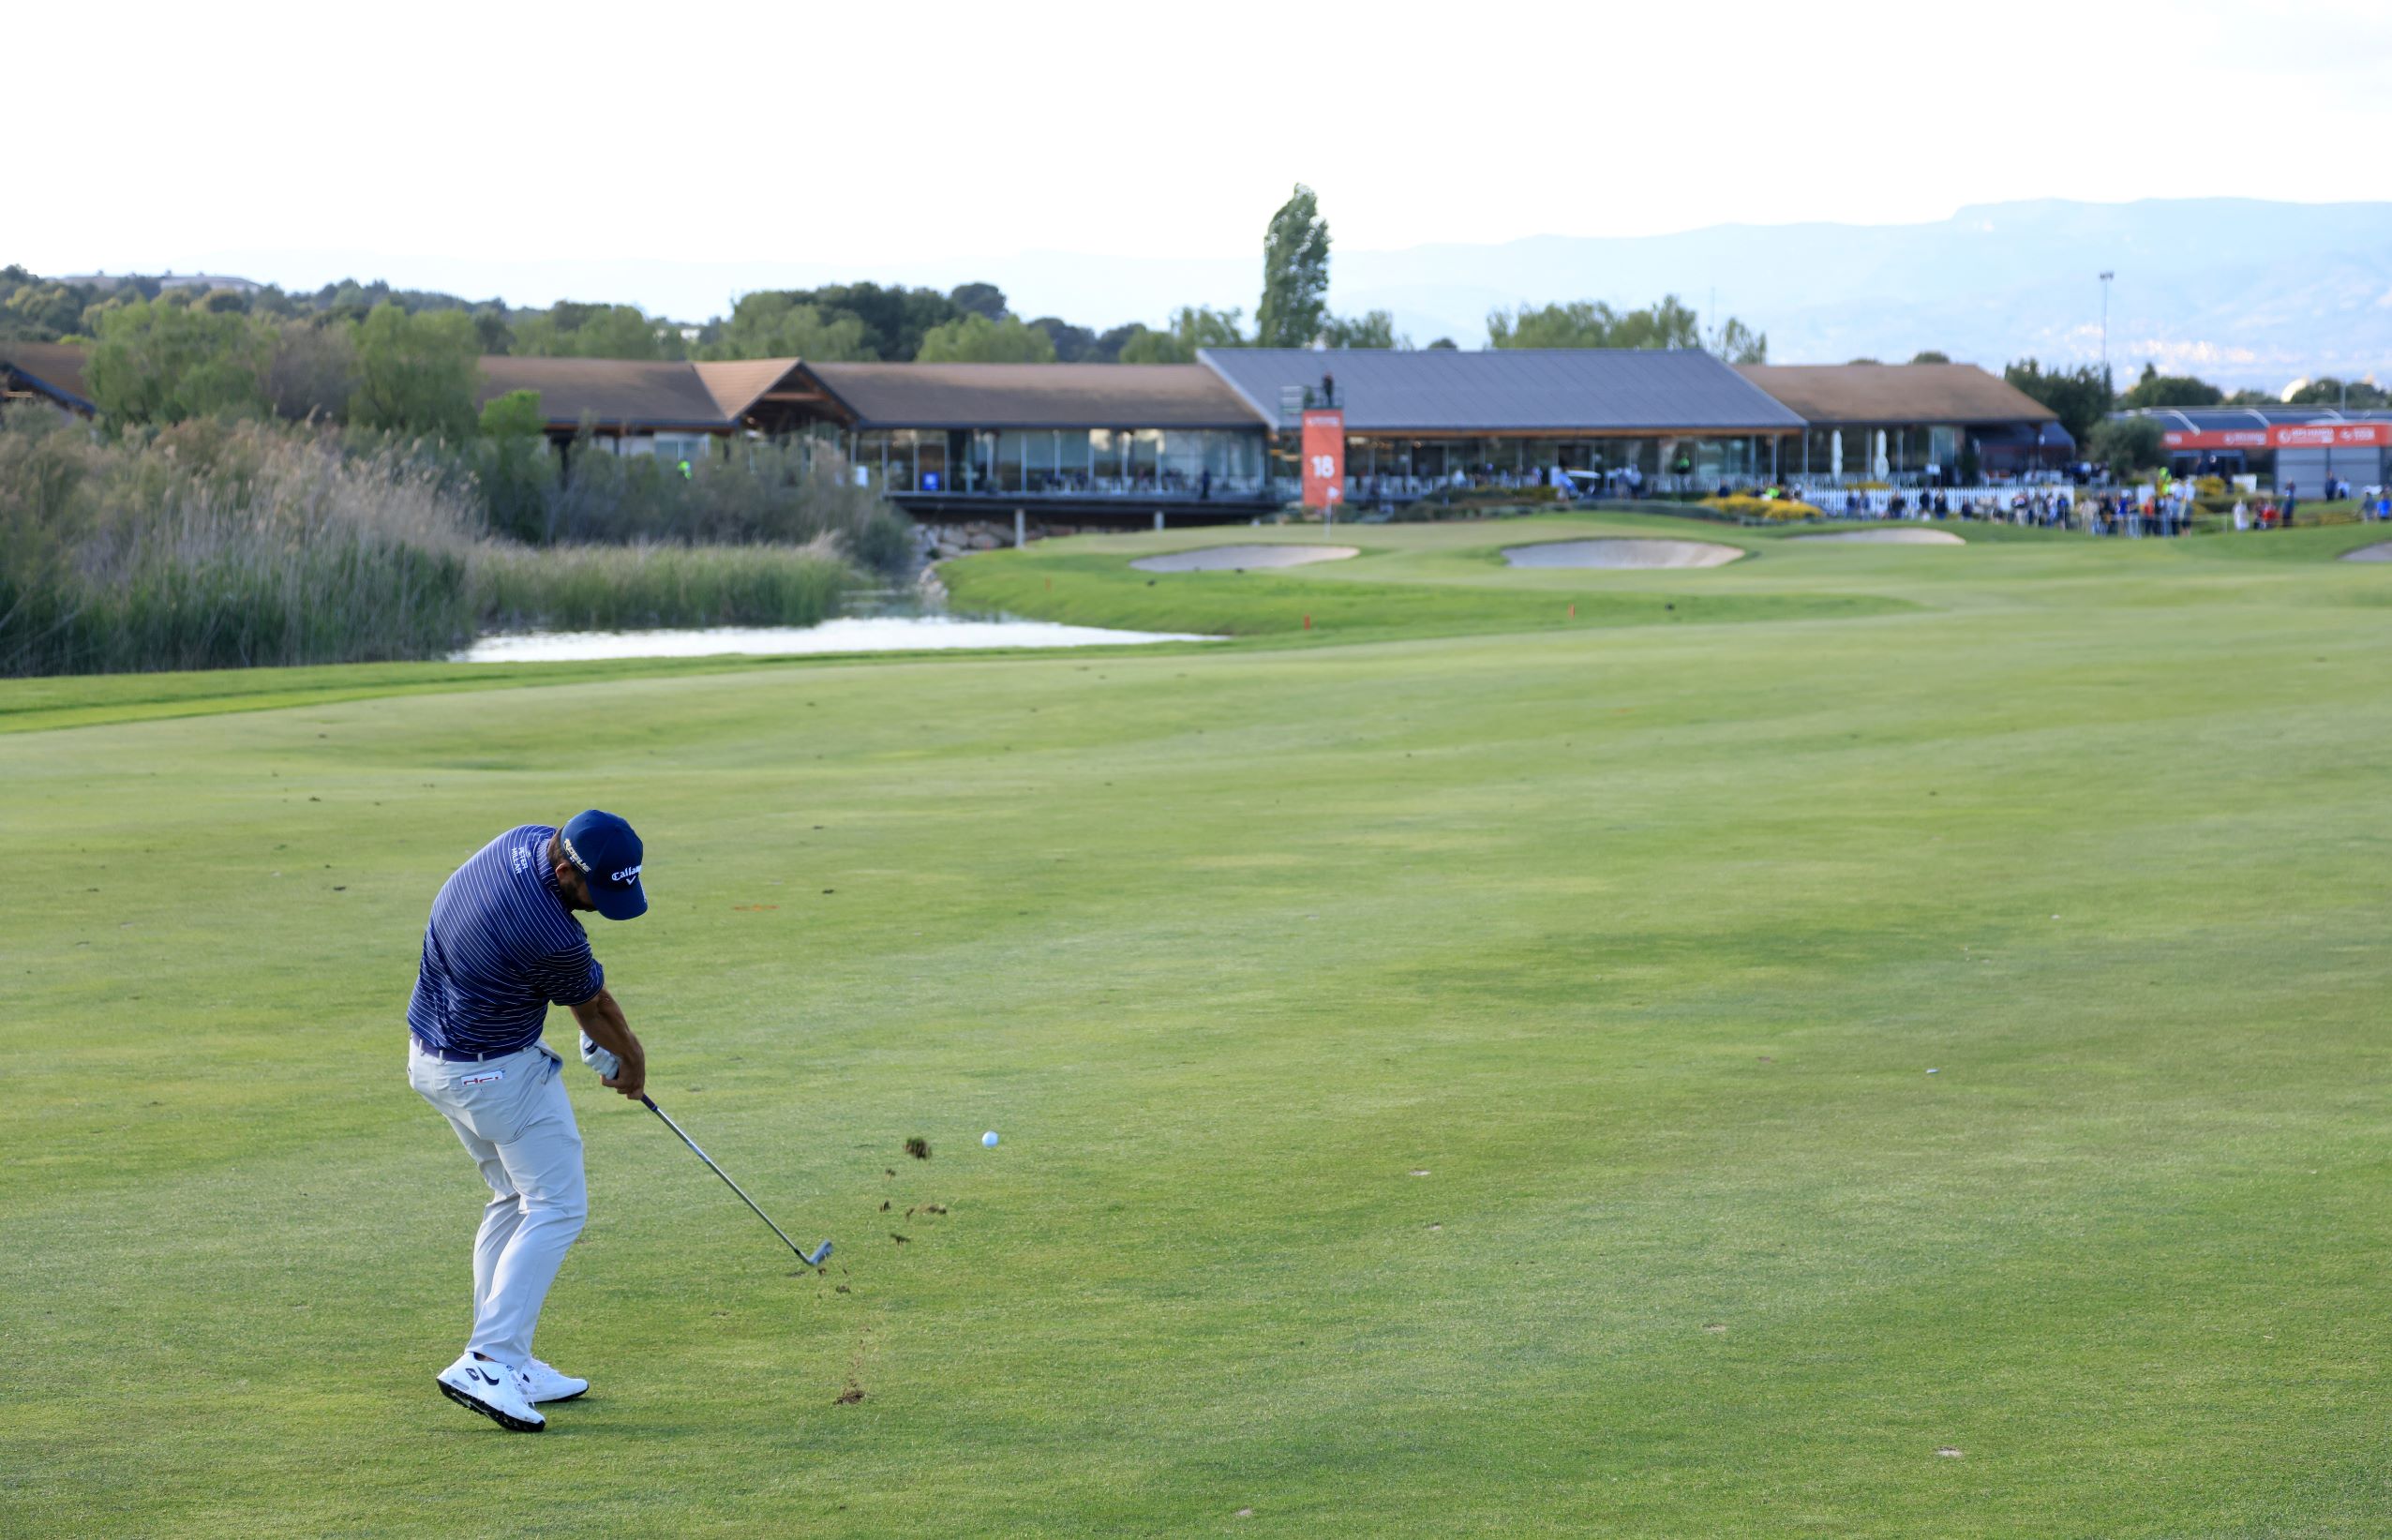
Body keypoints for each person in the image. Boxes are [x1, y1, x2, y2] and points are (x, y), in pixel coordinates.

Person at [409, 811, 650, 1433]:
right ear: (567, 870)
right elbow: (592, 1004)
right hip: (494, 1075)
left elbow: (574, 1001)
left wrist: (595, 1036)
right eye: (603, 891)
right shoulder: (552, 933)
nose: (608, 903)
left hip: (433, 1061)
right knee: (558, 1205)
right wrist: (631, 1059)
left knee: (515, 1198)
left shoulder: (523, 839)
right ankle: (488, 1358)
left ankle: (507, 1361)